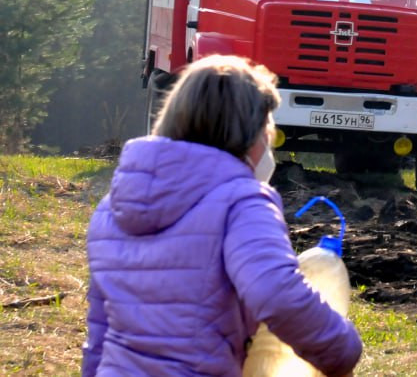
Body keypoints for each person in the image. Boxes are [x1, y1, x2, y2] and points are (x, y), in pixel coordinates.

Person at [83, 55, 361, 377]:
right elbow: (276, 293)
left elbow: (100, 327)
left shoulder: (111, 206)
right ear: (245, 132)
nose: (267, 143)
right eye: (266, 129)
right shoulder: (242, 203)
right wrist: (342, 349)